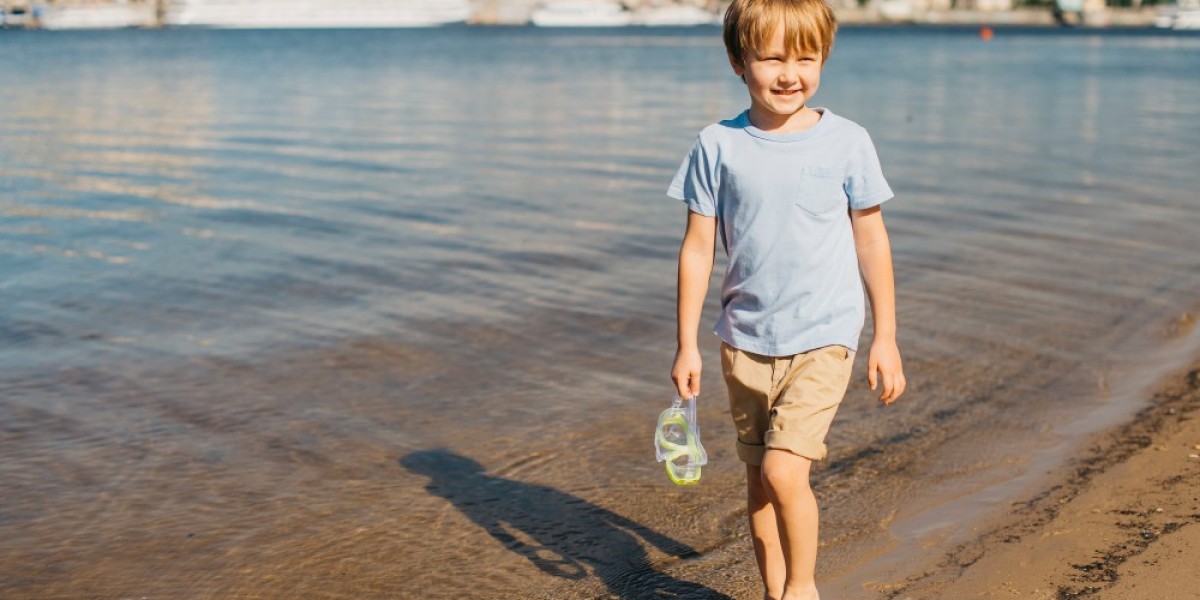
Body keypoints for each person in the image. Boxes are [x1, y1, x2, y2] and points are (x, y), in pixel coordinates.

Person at [667, 0, 906, 598]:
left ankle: (803, 587)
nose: (789, 73)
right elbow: (697, 249)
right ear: (737, 60)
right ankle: (775, 591)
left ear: (823, 58)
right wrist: (686, 346)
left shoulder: (847, 141)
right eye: (771, 58)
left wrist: (887, 337)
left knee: (783, 469)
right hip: (743, 340)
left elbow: (871, 240)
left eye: (806, 58)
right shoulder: (715, 145)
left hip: (825, 335)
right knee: (759, 483)